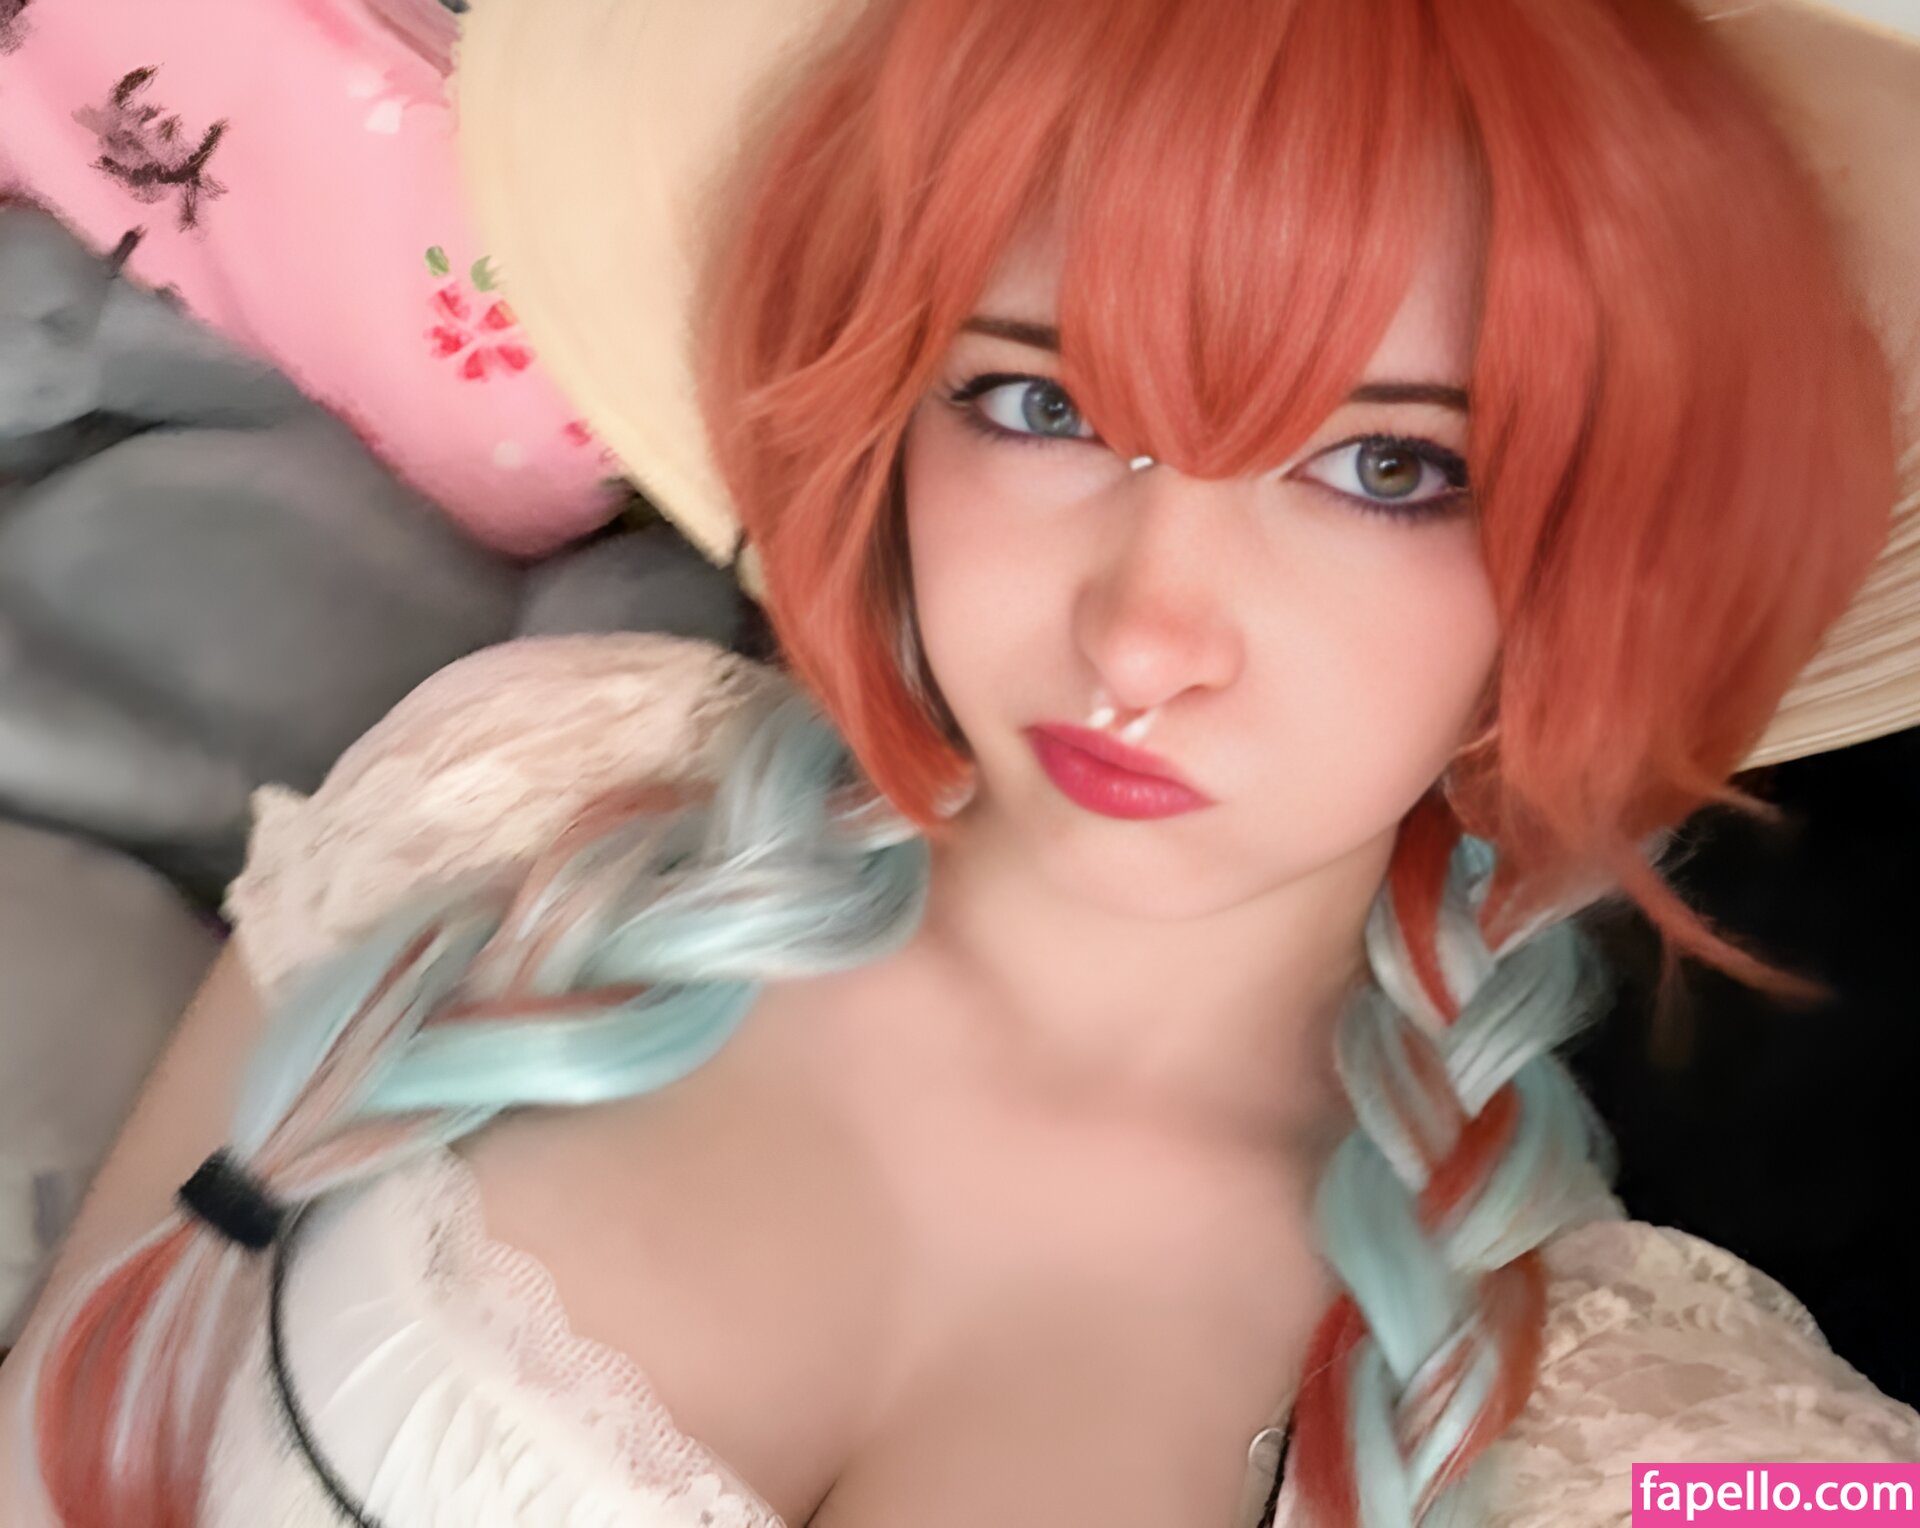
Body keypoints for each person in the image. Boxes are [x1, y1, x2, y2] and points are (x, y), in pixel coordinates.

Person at [3, 0, 1919, 1524]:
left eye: (1388, 465)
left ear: (1615, 544)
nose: (1144, 634)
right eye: (1042, 401)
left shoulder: (1652, 1435)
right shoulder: (534, 789)